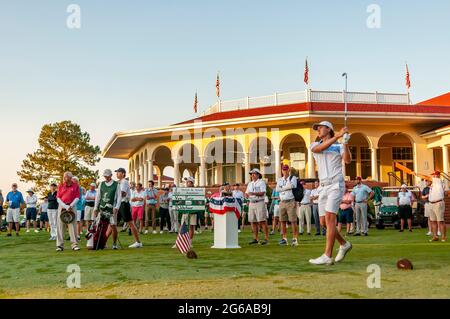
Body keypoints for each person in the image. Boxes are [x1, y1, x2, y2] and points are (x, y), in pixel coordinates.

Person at [309, 121, 353, 265]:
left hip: (336, 184)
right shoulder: (314, 145)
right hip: (323, 186)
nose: (318, 130)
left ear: (328, 129)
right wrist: (339, 136)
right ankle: (344, 244)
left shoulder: (339, 145)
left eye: (320, 128)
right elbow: (319, 149)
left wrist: (345, 143)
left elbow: (347, 160)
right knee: (324, 222)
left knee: (329, 218)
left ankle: (327, 255)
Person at [113, 168, 142, 248]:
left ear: (123, 173)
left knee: (130, 223)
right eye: (117, 172)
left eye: (118, 172)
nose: (117, 174)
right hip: (119, 204)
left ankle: (138, 242)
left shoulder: (124, 182)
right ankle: (105, 242)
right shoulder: (118, 182)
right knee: (112, 223)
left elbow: (122, 193)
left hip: (124, 204)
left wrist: (113, 197)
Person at [94, 169, 122, 249]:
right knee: (100, 226)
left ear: (110, 176)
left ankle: (114, 244)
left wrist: (116, 207)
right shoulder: (101, 184)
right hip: (102, 208)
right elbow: (98, 196)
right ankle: (102, 243)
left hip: (112, 209)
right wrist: (95, 208)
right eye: (105, 176)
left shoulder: (116, 184)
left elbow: (119, 197)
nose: (106, 177)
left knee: (113, 226)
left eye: (107, 176)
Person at [56, 172, 80, 251]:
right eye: (63, 177)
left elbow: (77, 197)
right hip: (62, 206)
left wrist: (71, 206)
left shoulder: (75, 185)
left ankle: (74, 244)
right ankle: (60, 245)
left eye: (65, 177)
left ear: (69, 178)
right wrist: (65, 206)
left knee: (72, 226)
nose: (64, 178)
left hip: (72, 206)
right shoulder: (61, 185)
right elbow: (58, 198)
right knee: (60, 225)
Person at [276, 165, 298, 246]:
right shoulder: (279, 179)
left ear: (289, 170)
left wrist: (282, 187)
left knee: (293, 220)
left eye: (286, 169)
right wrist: (286, 188)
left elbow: (292, 186)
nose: (284, 171)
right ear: (282, 170)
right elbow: (277, 189)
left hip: (290, 201)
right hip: (282, 201)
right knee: (282, 221)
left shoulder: (293, 178)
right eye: (283, 170)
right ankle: (284, 238)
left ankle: (295, 239)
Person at [245, 168, 269, 245]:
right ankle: (255, 238)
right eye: (251, 174)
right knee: (253, 221)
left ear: (258, 174)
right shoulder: (250, 183)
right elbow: (246, 192)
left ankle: (266, 238)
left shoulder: (261, 182)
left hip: (259, 202)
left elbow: (262, 192)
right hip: (251, 202)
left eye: (254, 173)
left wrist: (253, 193)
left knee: (262, 221)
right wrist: (246, 195)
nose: (252, 175)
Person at [428, 171, 447, 242]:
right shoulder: (433, 184)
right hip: (431, 203)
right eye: (433, 175)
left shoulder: (438, 181)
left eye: (434, 175)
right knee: (433, 221)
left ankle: (443, 237)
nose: (433, 176)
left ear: (438, 175)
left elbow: (426, 177)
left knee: (440, 221)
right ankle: (435, 236)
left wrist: (415, 174)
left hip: (438, 203)